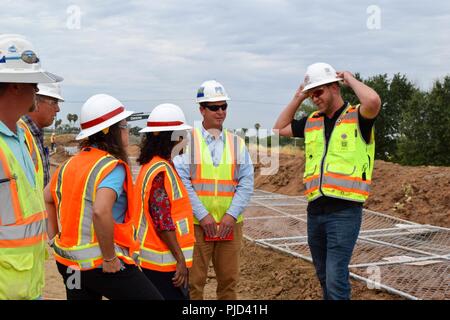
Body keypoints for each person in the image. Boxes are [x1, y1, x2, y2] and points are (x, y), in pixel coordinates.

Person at [273, 62, 381, 300]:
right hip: (315, 211)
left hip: (345, 211)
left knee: (335, 275)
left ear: (334, 87)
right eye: (311, 94)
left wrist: (350, 79)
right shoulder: (312, 121)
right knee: (324, 275)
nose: (315, 98)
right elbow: (279, 128)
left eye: (318, 92)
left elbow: (373, 101)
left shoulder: (357, 117)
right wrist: (298, 98)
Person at [43, 94, 163, 300]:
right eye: (124, 126)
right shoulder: (110, 167)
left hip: (70, 264)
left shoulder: (70, 164)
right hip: (100, 266)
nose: (126, 131)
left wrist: (53, 238)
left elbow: (47, 197)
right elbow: (101, 210)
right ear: (111, 132)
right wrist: (109, 258)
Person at [173, 80, 254, 300]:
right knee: (194, 284)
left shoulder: (237, 143)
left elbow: (247, 182)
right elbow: (183, 183)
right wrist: (203, 215)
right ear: (202, 109)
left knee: (229, 284)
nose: (220, 112)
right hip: (198, 226)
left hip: (230, 226)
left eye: (224, 106)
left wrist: (230, 215)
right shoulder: (186, 142)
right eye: (214, 107)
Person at [0, 34, 63, 299]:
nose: (36, 91)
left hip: (26, 283)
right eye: (33, 83)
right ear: (15, 85)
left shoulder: (18, 137)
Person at [135, 103, 195, 300]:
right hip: (164, 264)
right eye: (182, 135)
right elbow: (163, 221)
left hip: (155, 260)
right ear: (173, 138)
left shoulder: (152, 165)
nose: (186, 140)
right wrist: (180, 261)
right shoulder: (160, 171)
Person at [18, 83, 64, 186]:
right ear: (35, 103)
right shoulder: (19, 134)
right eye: (54, 102)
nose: (58, 109)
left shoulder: (36, 134)